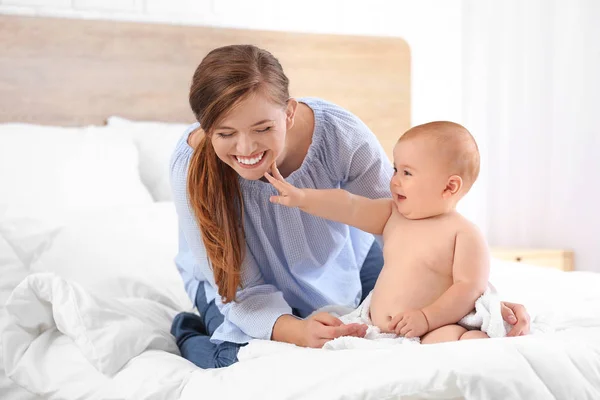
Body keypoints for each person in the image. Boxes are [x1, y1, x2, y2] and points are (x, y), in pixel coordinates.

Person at [169, 44, 531, 368]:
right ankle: (187, 331)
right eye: (226, 133)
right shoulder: (190, 168)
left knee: (409, 322)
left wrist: (478, 305)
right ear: (206, 127)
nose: (246, 148)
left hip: (347, 260)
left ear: (289, 113)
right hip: (234, 289)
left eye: (262, 128)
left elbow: (415, 228)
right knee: (245, 364)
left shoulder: (339, 134)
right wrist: (296, 331)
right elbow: (242, 291)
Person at [265, 121, 491, 344]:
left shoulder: (463, 234)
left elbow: (469, 288)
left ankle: (473, 342)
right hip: (377, 330)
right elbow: (350, 206)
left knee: (451, 340)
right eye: (395, 169)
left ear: (449, 187)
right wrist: (303, 198)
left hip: (433, 328)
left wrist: (427, 318)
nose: (394, 181)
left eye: (407, 173)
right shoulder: (393, 215)